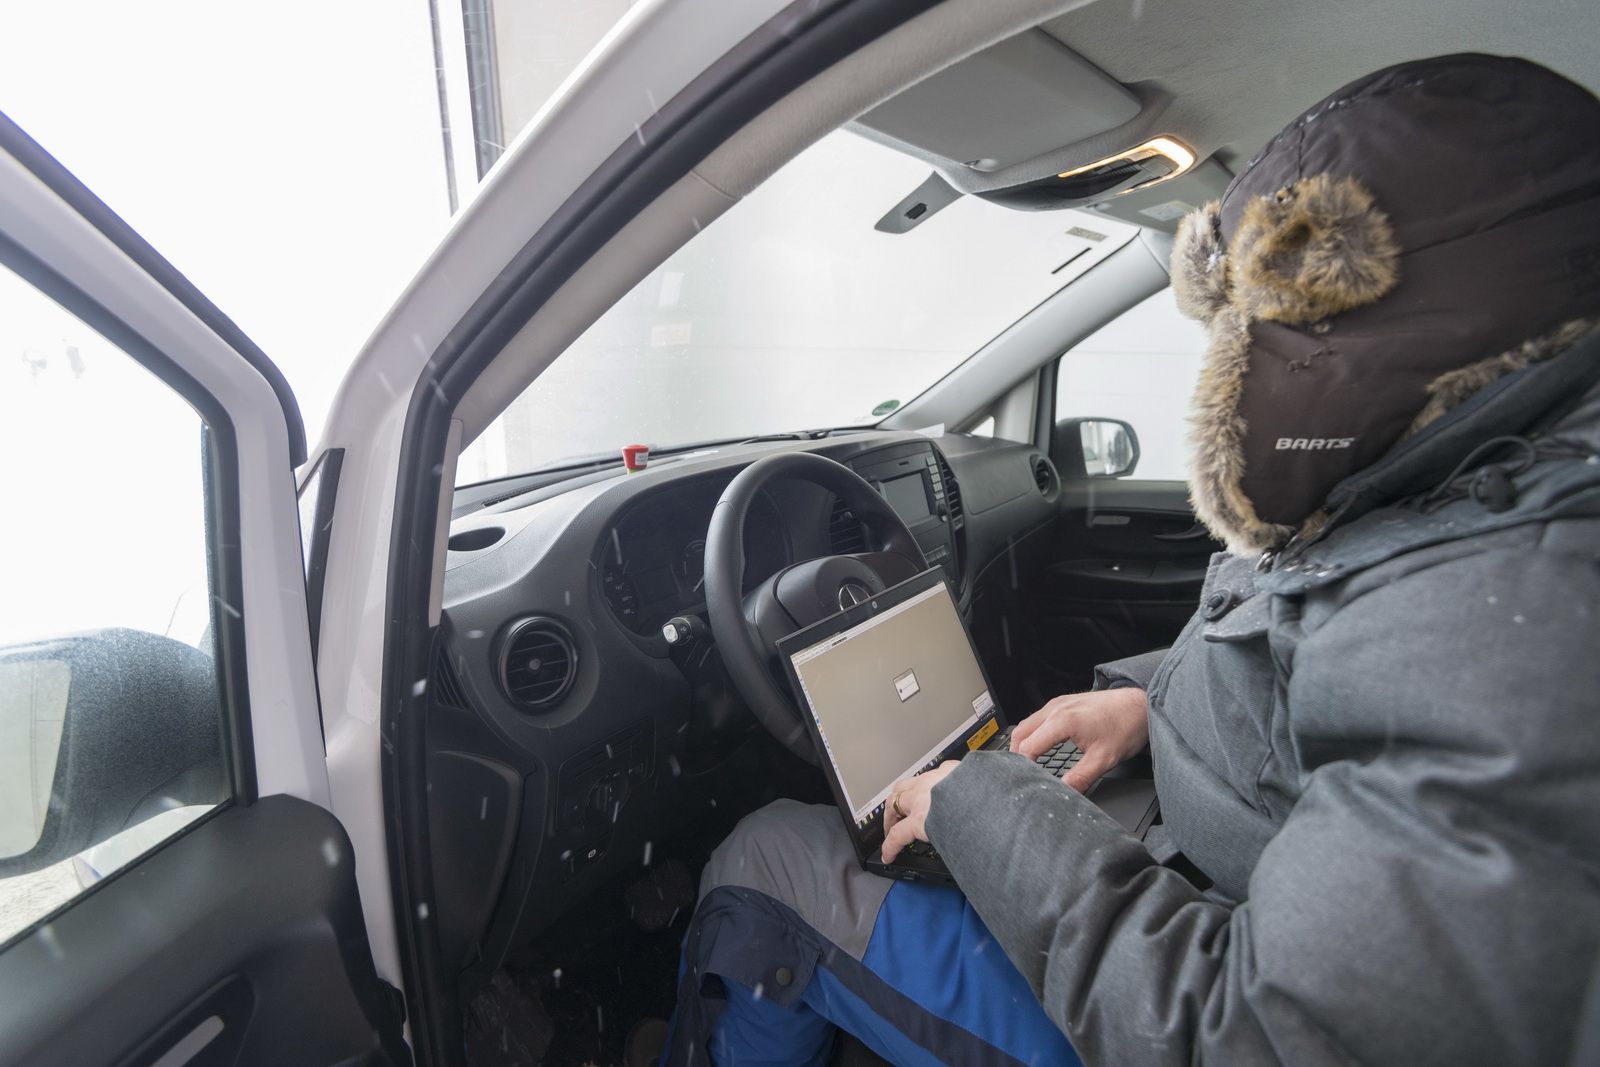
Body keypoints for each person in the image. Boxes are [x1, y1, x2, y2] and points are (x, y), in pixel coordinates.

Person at [661, 53, 1600, 1066]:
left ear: (1374, 335)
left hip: (1170, 991)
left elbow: (1249, 1036)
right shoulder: (1469, 486)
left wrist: (982, 805)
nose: (1241, 370)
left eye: (1269, 330)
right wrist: (1152, 706)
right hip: (1209, 864)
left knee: (764, 858)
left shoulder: (1516, 624)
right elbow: (1318, 664)